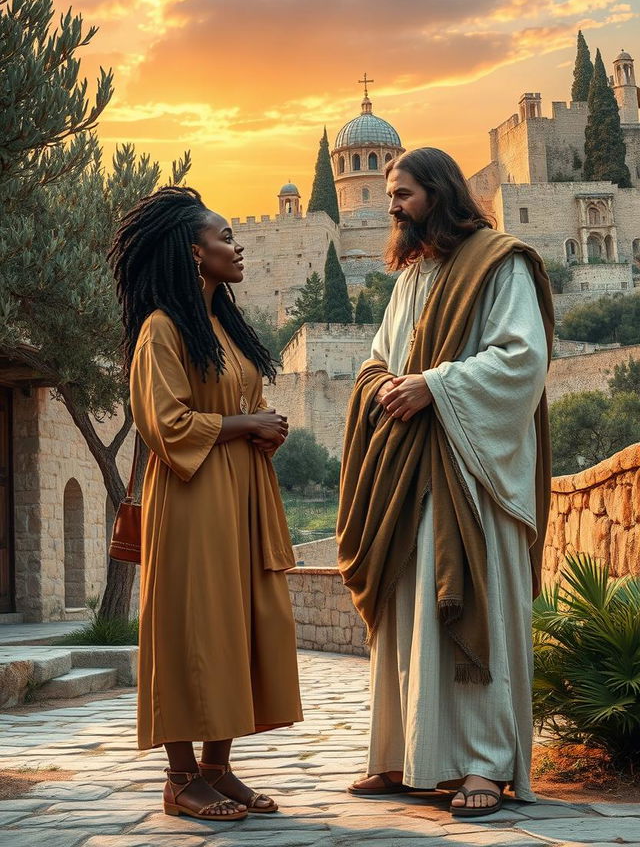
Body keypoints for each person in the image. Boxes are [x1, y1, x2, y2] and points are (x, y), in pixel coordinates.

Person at [337, 148, 553, 818]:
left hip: (471, 473)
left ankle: (482, 765)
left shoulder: (500, 263)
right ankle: (404, 756)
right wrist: (385, 388)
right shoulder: (411, 278)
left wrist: (435, 385)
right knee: (408, 612)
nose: (392, 205)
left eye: (403, 193)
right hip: (408, 472)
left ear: (438, 191)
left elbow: (522, 357)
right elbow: (378, 361)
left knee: (471, 610)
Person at [109, 186, 303, 822]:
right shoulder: (162, 331)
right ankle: (180, 777)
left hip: (243, 493)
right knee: (192, 625)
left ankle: (217, 770)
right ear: (193, 253)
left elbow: (232, 408)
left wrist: (260, 430)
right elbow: (165, 423)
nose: (236, 245)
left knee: (242, 620)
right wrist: (246, 426)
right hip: (192, 501)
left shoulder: (221, 327)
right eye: (223, 237)